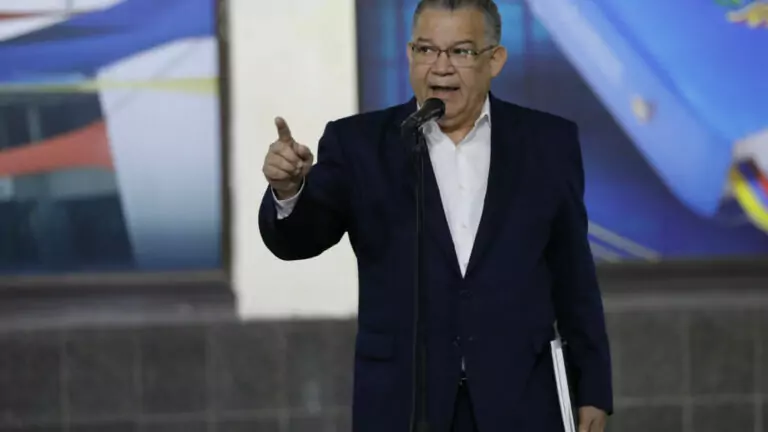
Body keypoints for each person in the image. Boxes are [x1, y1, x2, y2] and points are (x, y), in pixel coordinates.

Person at [259, 0, 613, 431]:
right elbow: (300, 239)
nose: (440, 68)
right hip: (404, 402)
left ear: (494, 60)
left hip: (520, 400)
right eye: (426, 49)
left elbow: (574, 277)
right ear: (410, 54)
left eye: (461, 51)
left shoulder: (548, 143)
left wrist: (593, 388)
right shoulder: (360, 144)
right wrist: (289, 190)